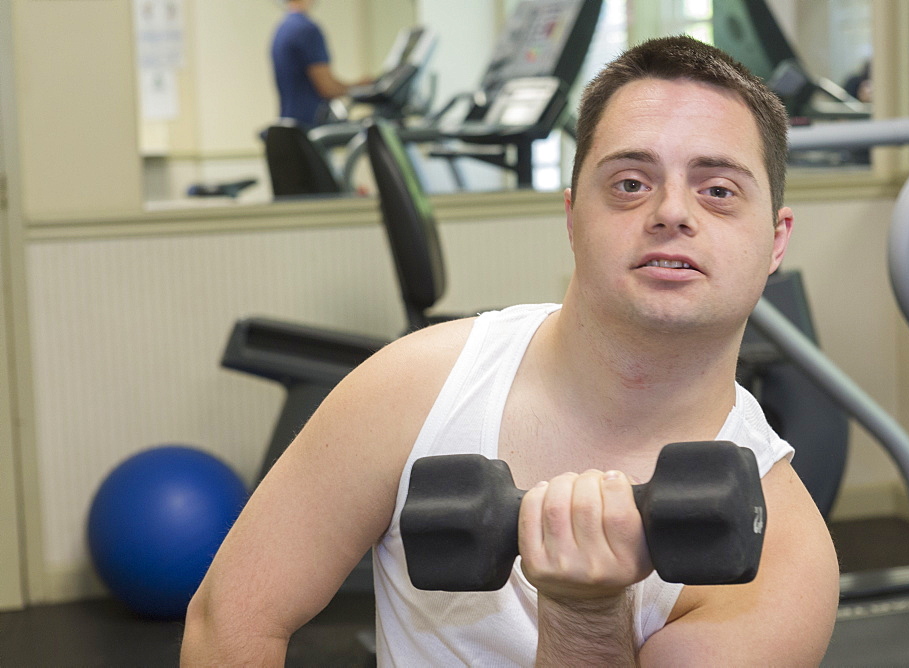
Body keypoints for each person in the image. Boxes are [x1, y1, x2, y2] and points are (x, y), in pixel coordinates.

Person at [182, 35, 840, 665]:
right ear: (572, 215)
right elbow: (233, 618)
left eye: (718, 190)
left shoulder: (783, 555)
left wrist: (585, 614)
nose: (672, 211)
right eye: (631, 184)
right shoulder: (415, 387)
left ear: (776, 240)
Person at [271, 0, 363, 127]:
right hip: (310, 125)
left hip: (289, 125)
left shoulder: (282, 29)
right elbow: (327, 88)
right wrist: (361, 87)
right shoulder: (307, 29)